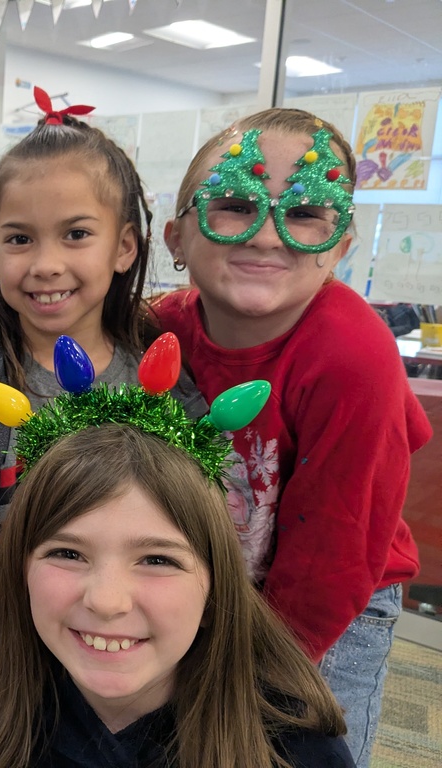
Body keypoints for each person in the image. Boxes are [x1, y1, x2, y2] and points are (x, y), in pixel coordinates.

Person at [157, 108, 432, 768]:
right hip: (222, 581)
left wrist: (254, 679)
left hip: (338, 600)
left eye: (306, 213)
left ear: (340, 247)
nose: (266, 236)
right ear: (176, 238)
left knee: (296, 746)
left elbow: (336, 556)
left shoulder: (352, 354)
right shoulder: (160, 330)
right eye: (233, 205)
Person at [0, 347, 354, 767]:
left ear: (215, 589)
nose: (107, 601)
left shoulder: (294, 746)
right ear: (20, 570)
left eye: (157, 560)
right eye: (68, 553)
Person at [0, 87, 205, 572]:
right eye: (20, 239)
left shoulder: (159, 372)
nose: (46, 265)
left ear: (124, 247)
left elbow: (197, 520)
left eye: (76, 234)